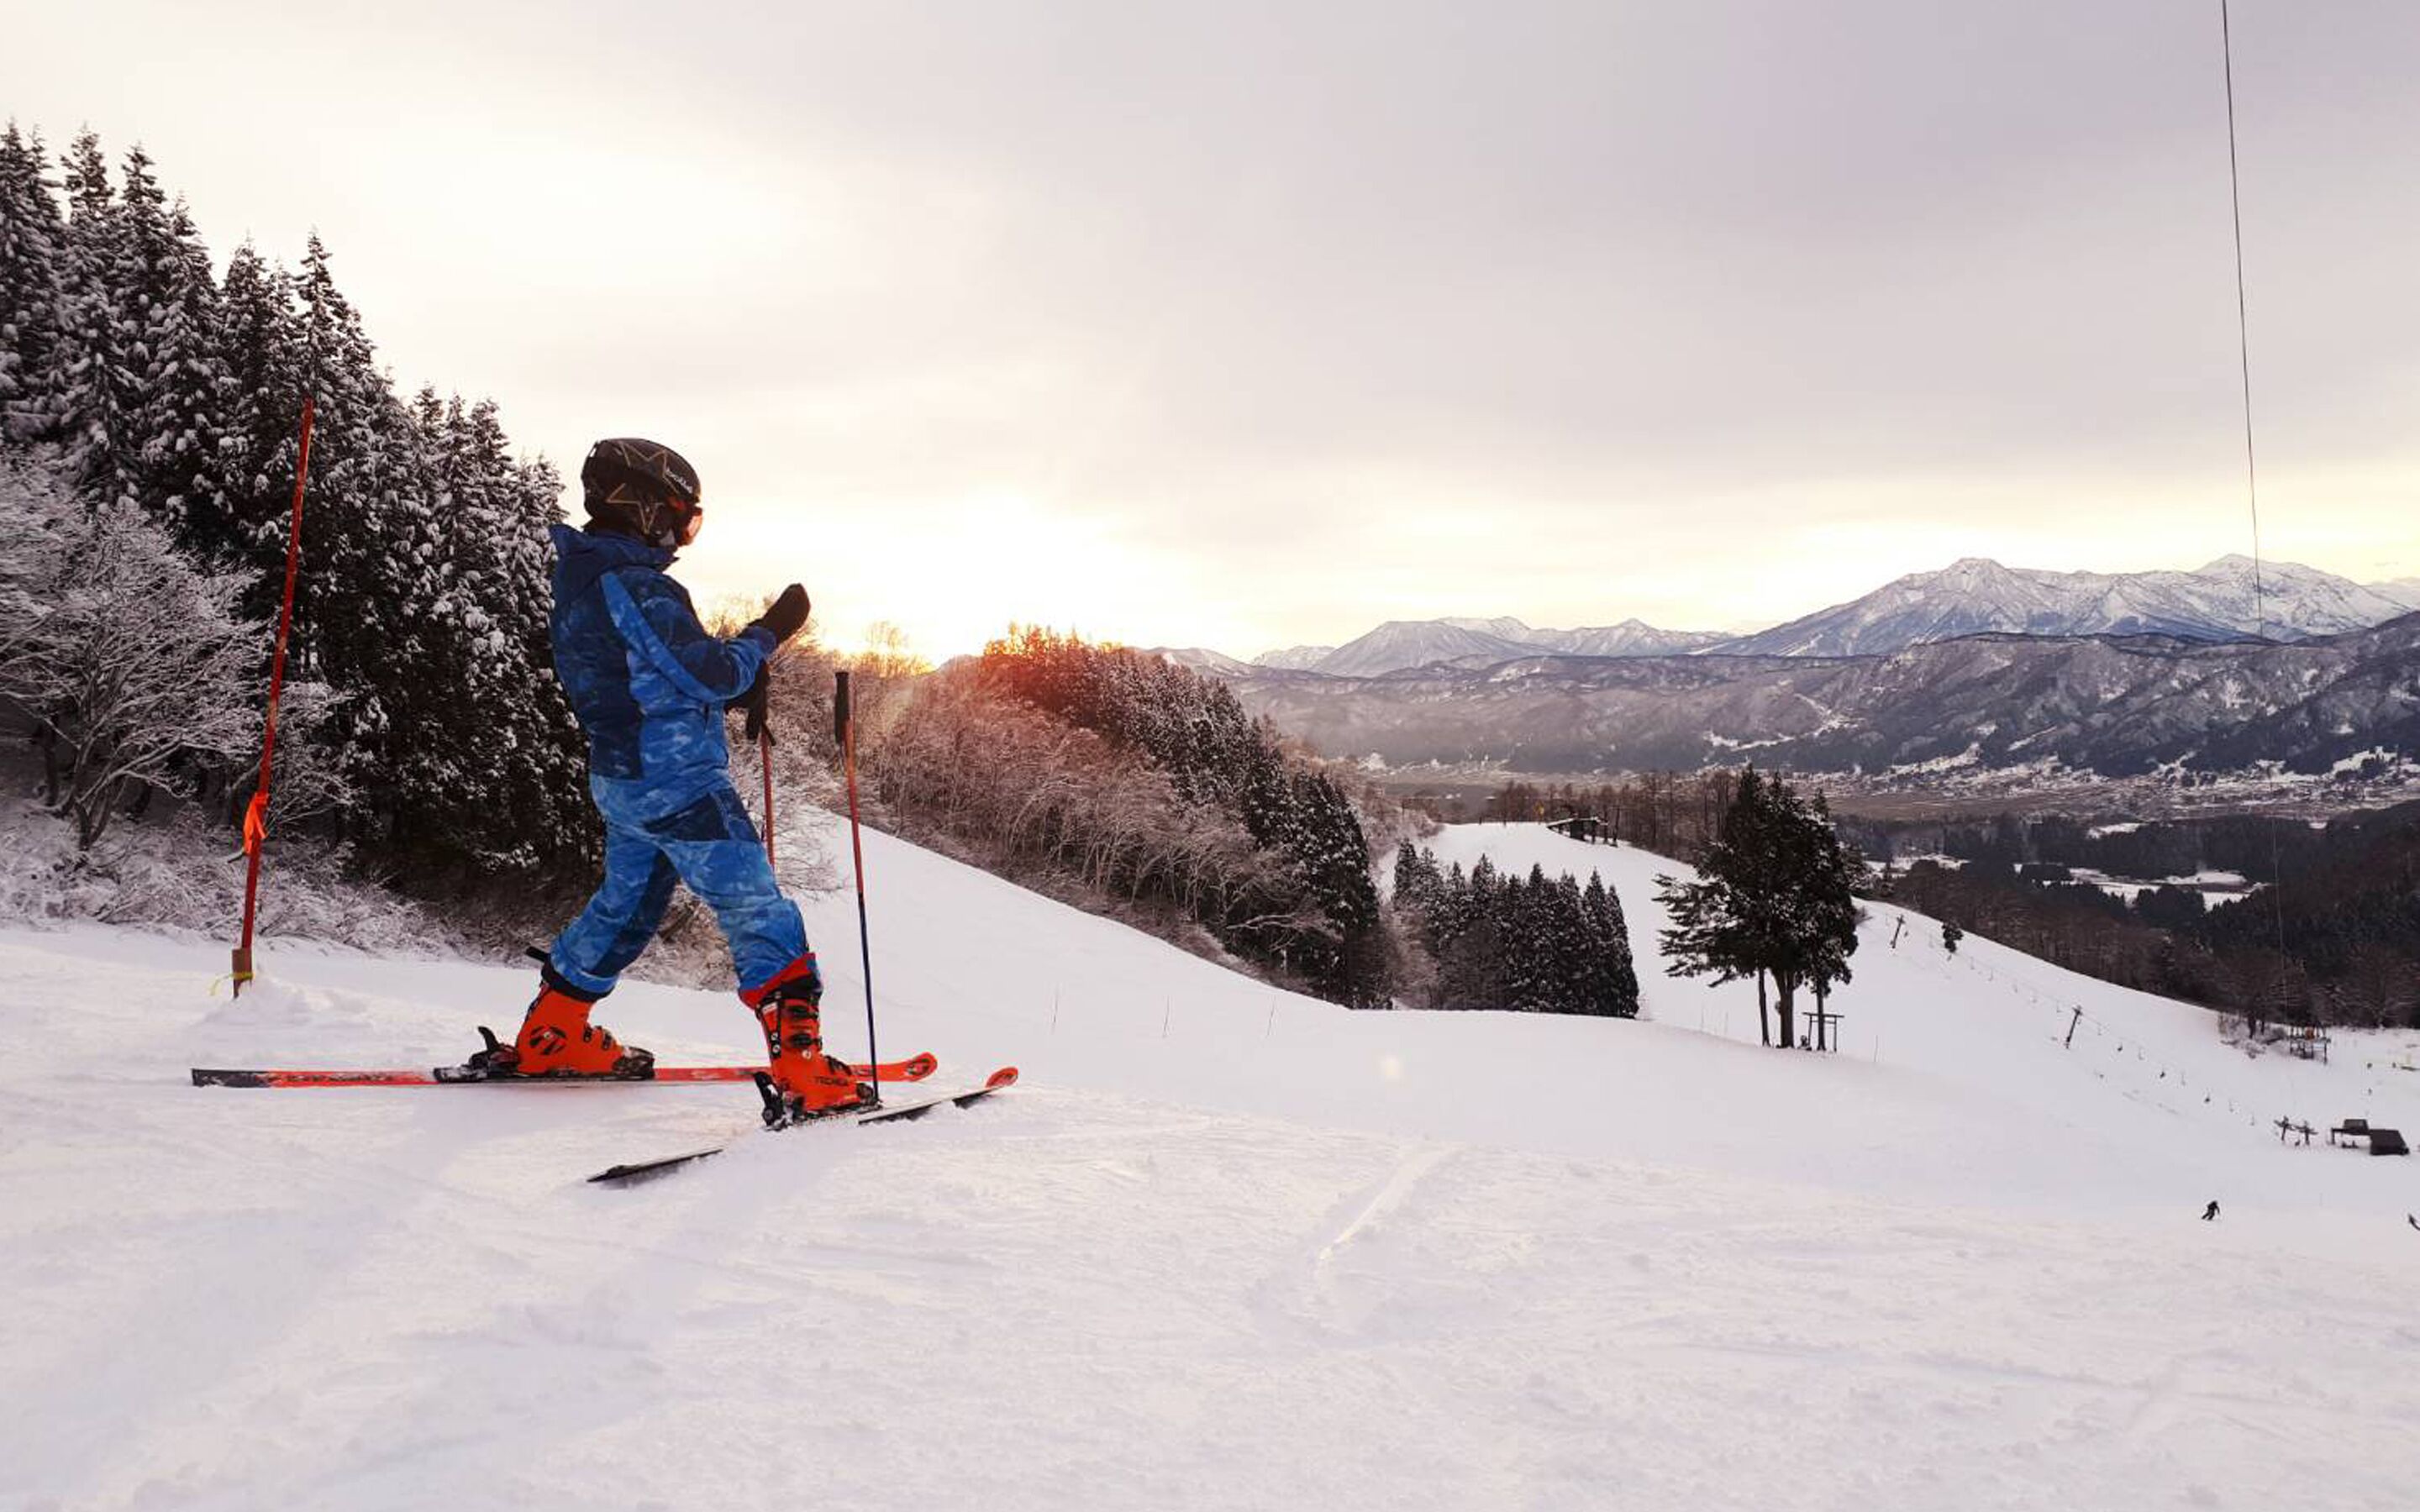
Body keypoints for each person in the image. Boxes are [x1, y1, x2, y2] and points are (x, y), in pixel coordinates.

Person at [479, 438, 869, 1124]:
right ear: (641, 505)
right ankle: (803, 1070)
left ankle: (554, 1033)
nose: (681, 531)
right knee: (757, 907)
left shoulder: (581, 580)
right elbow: (707, 672)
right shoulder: (634, 583)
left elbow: (644, 673)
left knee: (624, 908)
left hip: (624, 779)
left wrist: (720, 680)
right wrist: (766, 635)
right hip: (679, 783)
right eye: (679, 514)